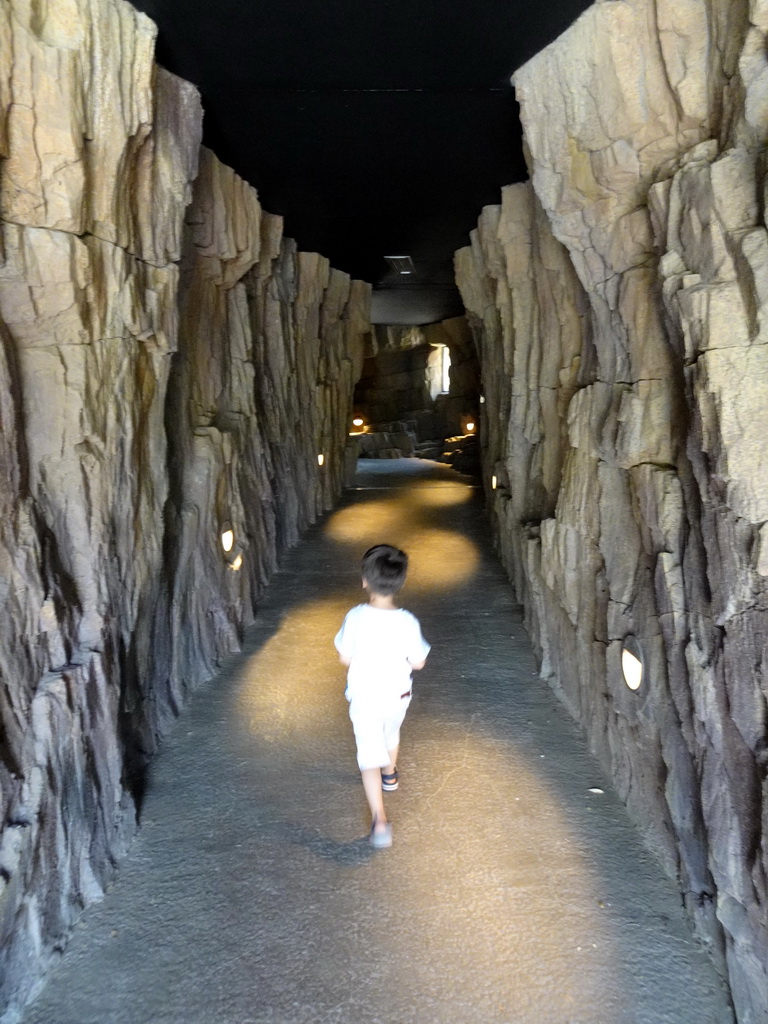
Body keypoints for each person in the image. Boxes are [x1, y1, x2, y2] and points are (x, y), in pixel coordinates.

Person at [334, 544, 430, 849]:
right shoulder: (408, 621)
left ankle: (379, 818)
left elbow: (344, 657)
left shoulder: (355, 617)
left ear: (365, 580)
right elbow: (419, 662)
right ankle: (390, 774)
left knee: (367, 756)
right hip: (397, 696)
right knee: (392, 733)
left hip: (364, 697)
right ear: (401, 582)